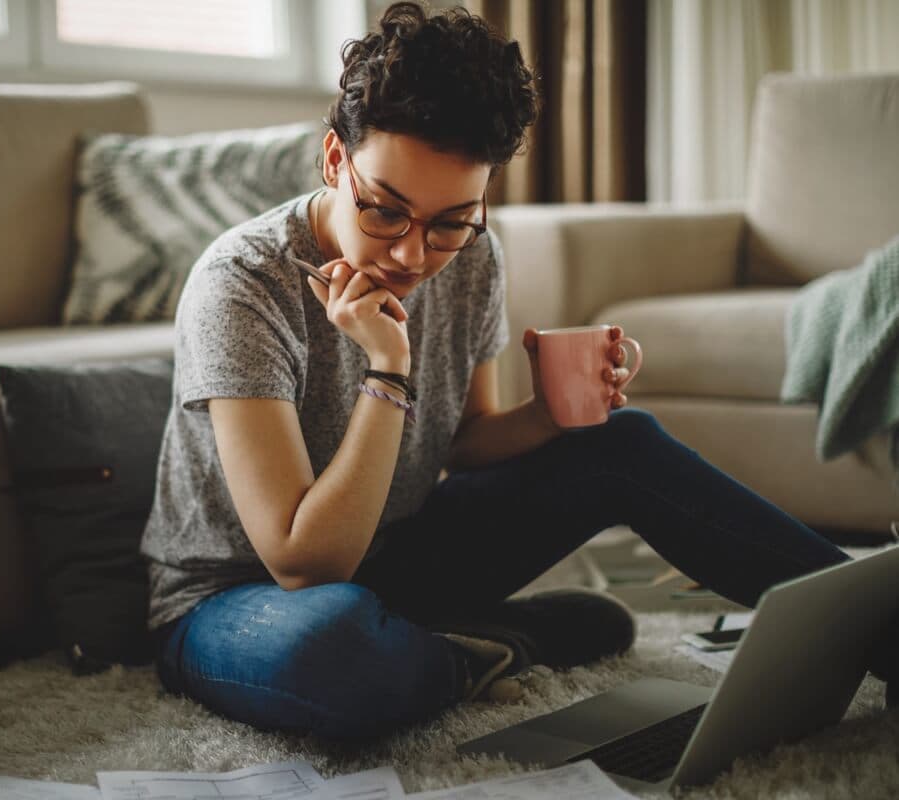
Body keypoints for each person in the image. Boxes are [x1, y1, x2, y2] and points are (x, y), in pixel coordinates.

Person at [142, 2, 892, 738]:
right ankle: (502, 642)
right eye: (384, 211)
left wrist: (546, 417)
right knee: (331, 653)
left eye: (450, 222)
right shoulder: (242, 283)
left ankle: (885, 632)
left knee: (620, 442)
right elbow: (305, 562)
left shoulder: (474, 258)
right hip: (240, 598)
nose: (412, 255)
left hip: (398, 556)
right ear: (336, 159)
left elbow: (462, 442)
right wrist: (388, 370)